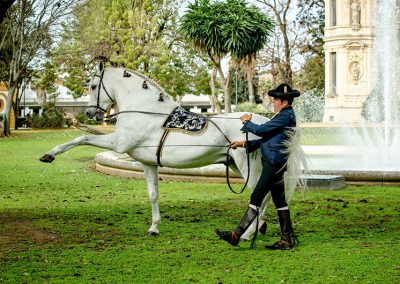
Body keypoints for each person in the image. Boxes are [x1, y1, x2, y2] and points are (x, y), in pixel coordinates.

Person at [215, 83, 300, 250]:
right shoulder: (283, 114)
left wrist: (247, 122)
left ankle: (236, 235)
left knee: (256, 197)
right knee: (280, 201)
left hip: (273, 164)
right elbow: (268, 140)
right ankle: (287, 240)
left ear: (284, 102)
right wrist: (244, 143)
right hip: (275, 163)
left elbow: (261, 130)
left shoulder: (285, 116)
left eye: (275, 99)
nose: (273, 102)